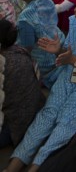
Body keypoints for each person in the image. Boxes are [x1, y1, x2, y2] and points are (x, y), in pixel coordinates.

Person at [5, 0, 76, 172]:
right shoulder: (74, 22)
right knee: (46, 116)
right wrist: (59, 50)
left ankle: (34, 168)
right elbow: (68, 54)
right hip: (67, 77)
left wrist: (72, 59)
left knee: (64, 125)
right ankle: (13, 166)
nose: (75, 8)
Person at [0, 19, 45, 148]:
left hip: (14, 126)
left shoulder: (4, 63)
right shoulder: (23, 52)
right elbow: (38, 80)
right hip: (33, 113)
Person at [16, 0, 65, 88]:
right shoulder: (48, 1)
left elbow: (26, 46)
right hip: (58, 42)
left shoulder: (25, 18)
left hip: (44, 59)